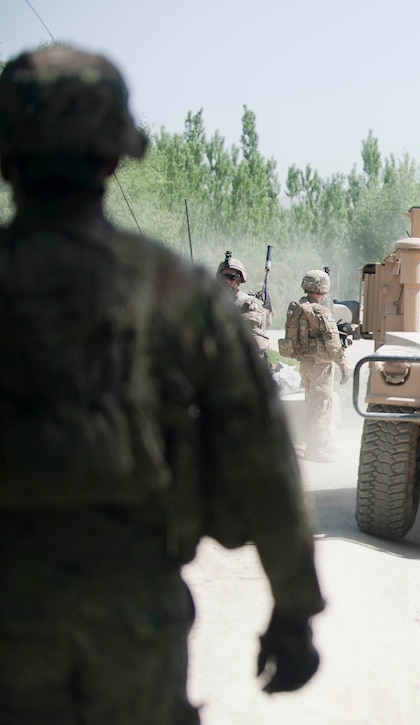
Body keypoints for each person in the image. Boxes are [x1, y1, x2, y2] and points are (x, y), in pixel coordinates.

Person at [0, 44, 324, 723]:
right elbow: (261, 457)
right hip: (134, 625)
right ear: (115, 156)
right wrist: (292, 609)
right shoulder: (181, 294)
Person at [283, 269, 348, 463]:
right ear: (323, 289)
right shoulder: (320, 311)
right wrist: (344, 364)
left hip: (305, 363)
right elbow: (333, 342)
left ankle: (321, 442)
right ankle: (316, 448)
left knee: (313, 403)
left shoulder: (298, 307)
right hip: (320, 365)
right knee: (322, 406)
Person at [217, 250, 271, 362]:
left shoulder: (248, 304)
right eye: (223, 277)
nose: (226, 281)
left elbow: (254, 345)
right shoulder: (214, 302)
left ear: (239, 279)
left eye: (231, 277)